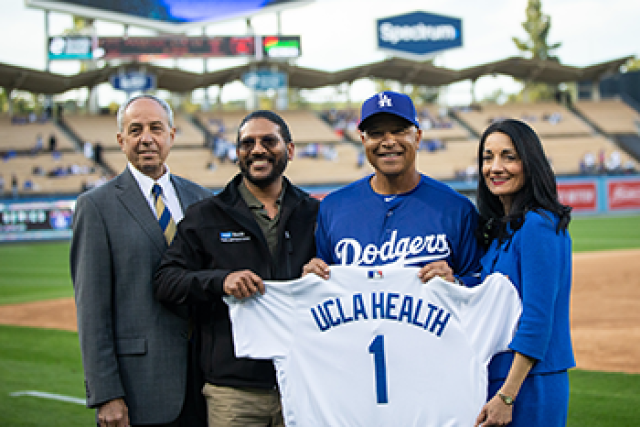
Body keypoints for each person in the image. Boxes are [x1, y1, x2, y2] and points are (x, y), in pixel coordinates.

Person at [154, 110, 319, 427]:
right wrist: (220, 281)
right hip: (233, 393)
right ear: (238, 153)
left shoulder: (314, 212)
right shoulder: (205, 216)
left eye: (269, 141)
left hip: (303, 382)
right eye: (247, 143)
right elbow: (166, 282)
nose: (257, 149)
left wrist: (324, 271)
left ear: (290, 149)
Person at [70, 94, 210, 427]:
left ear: (171, 135)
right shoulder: (96, 207)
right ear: (121, 141)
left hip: (206, 382)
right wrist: (106, 394)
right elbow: (91, 310)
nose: (146, 138)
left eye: (155, 128)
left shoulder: (202, 200)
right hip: (140, 389)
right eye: (135, 130)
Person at [303, 91, 482, 284]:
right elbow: (323, 288)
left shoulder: (457, 209)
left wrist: (457, 283)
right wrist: (312, 278)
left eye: (399, 131)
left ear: (418, 137)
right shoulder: (333, 207)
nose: (388, 142)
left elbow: (480, 285)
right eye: (376, 133)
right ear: (364, 141)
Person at [472, 119, 575, 427]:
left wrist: (507, 395)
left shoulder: (538, 225)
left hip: (529, 383)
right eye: (487, 157)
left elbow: (537, 317)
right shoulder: (503, 230)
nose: (495, 167)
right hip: (498, 378)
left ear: (530, 163)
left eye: (509, 156)